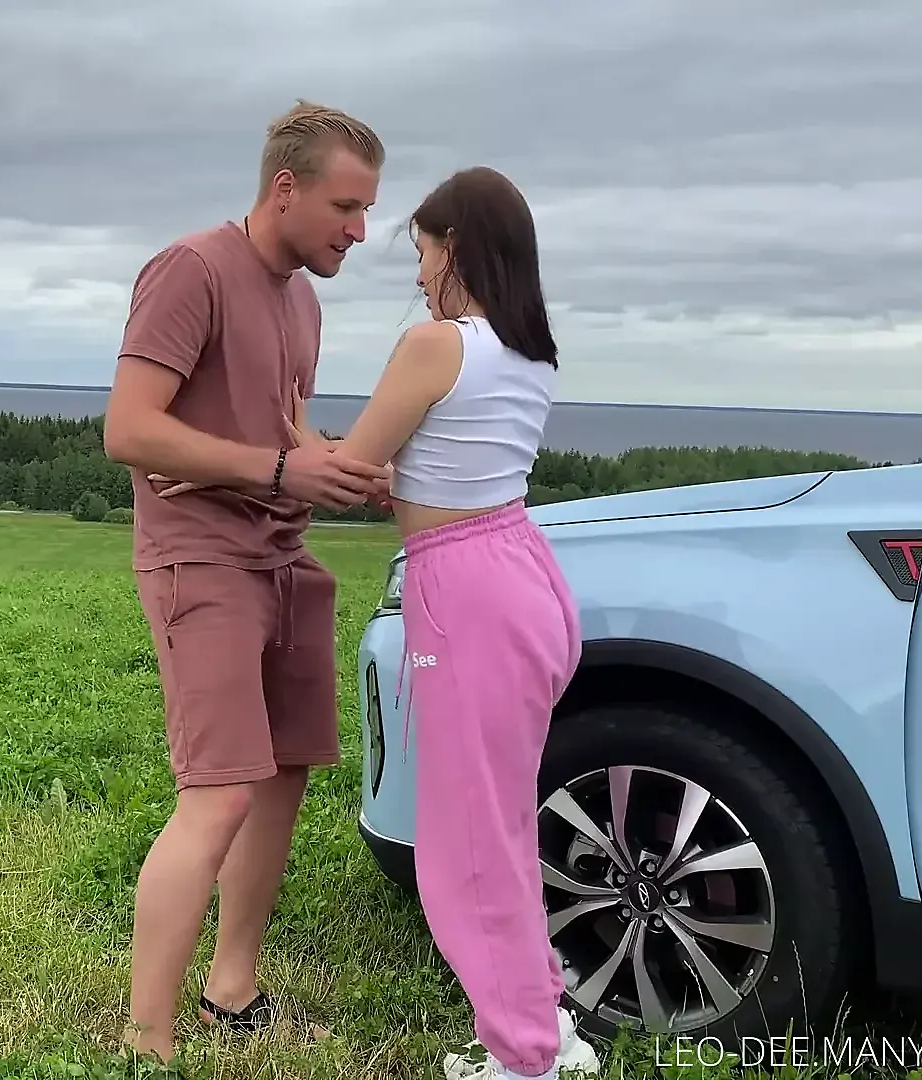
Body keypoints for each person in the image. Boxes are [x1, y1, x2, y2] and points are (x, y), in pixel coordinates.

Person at [100, 99, 391, 1065]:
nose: (360, 230)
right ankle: (146, 1040)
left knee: (283, 776)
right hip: (202, 558)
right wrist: (275, 470)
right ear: (285, 188)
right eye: (346, 207)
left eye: (367, 210)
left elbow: (286, 428)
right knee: (220, 793)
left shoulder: (303, 300)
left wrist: (340, 465)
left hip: (285, 559)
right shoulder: (191, 270)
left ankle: (232, 991)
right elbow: (129, 429)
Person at [324, 167, 603, 1079]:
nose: (417, 274)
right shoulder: (530, 352)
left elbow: (353, 470)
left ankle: (525, 1058)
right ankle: (543, 1022)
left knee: (467, 847)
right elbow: (437, 468)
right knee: (502, 823)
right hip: (523, 570)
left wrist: (279, 435)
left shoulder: (433, 346)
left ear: (457, 248)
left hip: (466, 591)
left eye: (422, 252)